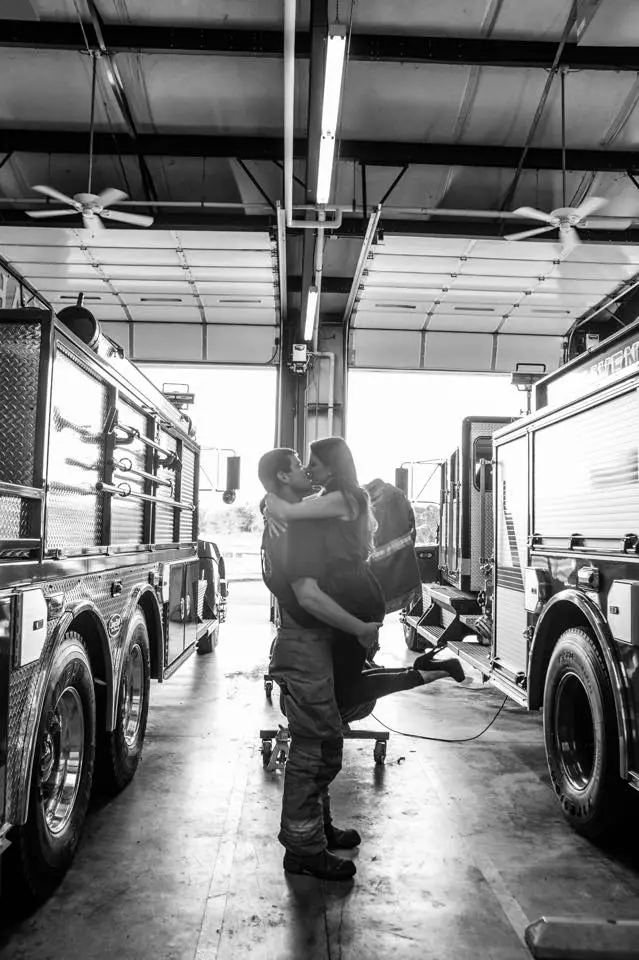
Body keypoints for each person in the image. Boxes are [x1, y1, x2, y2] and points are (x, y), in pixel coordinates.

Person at [258, 447, 379, 883]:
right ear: (282, 477)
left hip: (310, 643)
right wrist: (358, 627)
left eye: (312, 463)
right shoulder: (297, 526)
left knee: (324, 741)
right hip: (305, 645)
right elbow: (308, 595)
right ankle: (304, 850)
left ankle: (318, 829)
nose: (307, 470)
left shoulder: (289, 515)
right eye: (298, 464)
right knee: (312, 750)